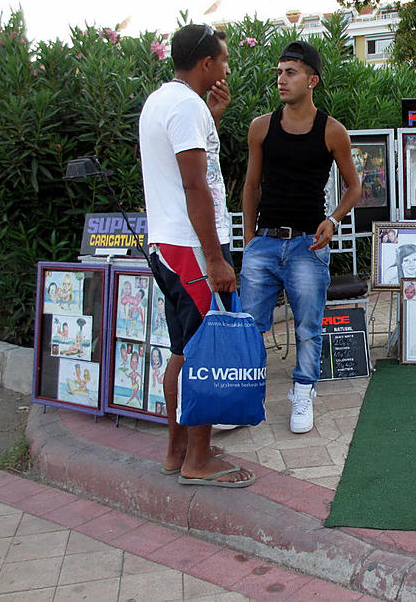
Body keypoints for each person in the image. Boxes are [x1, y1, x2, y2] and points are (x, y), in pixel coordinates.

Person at [138, 24, 253, 487]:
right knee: (205, 352)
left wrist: (214, 117)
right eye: (222, 59)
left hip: (167, 245)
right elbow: (194, 185)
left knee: (183, 351)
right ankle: (198, 461)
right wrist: (216, 258)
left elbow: (187, 163)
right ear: (206, 63)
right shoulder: (186, 108)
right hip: (191, 249)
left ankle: (177, 451)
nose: (226, 67)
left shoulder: (163, 101)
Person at [240, 40, 360, 434]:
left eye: (290, 72)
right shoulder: (261, 127)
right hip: (266, 241)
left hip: (309, 242)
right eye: (278, 72)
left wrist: (334, 219)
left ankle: (303, 391)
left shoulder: (332, 131)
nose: (281, 79)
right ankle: (245, 393)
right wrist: (250, 239)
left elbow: (354, 187)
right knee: (250, 325)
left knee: (308, 325)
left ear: (312, 80)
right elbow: (251, 185)